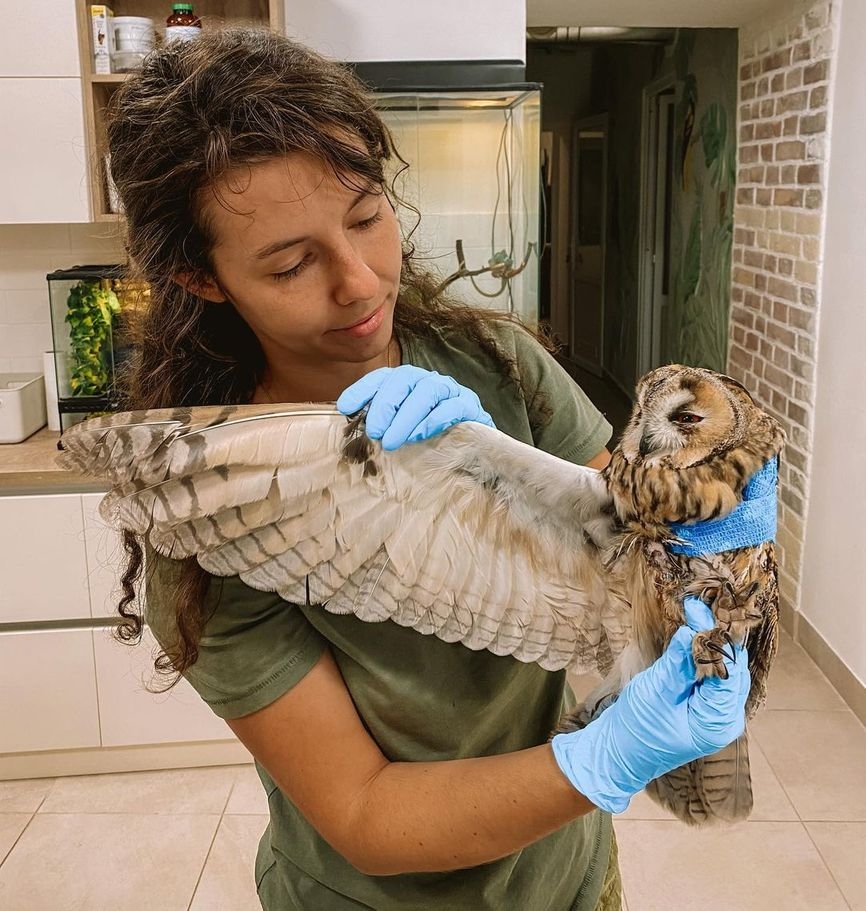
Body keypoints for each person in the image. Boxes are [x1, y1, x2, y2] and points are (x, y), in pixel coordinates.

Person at [107, 28, 750, 911]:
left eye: (367, 218)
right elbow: (365, 813)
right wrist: (603, 757)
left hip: (569, 875)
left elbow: (633, 553)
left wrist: (707, 533)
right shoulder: (217, 508)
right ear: (202, 277)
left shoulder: (498, 365)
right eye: (291, 264)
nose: (360, 282)